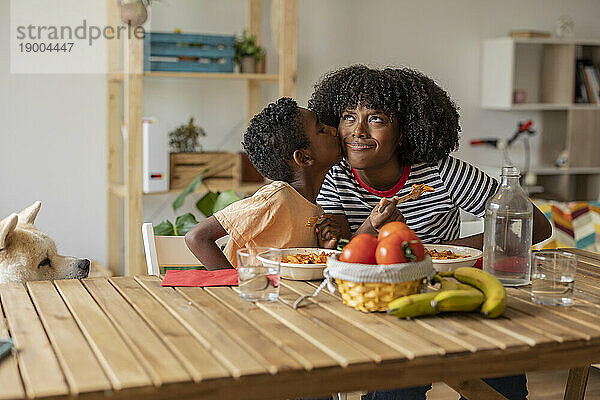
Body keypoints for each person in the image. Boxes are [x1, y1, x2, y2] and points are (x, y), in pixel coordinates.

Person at [308, 65, 551, 400]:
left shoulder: (441, 171)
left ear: (405, 131)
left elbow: (535, 225)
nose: (357, 131)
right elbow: (340, 253)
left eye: (376, 118)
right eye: (349, 117)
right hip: (370, 309)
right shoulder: (337, 178)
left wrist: (444, 249)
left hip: (448, 297)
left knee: (500, 357)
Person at [185, 98, 399, 270]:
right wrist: (233, 288)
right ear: (304, 158)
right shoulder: (276, 198)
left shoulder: (311, 205)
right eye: (321, 130)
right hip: (257, 302)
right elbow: (197, 237)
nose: (334, 130)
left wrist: (326, 249)